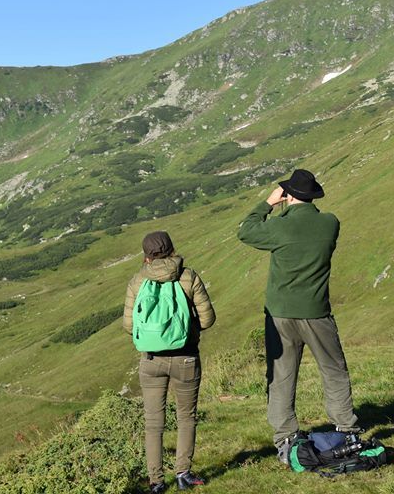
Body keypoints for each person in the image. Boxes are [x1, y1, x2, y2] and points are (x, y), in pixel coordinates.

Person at [237, 169, 360, 466]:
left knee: (281, 377)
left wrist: (268, 203)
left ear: (289, 195)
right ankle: (347, 430)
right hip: (316, 312)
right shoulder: (330, 223)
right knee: (334, 371)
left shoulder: (280, 228)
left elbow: (246, 230)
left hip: (280, 314)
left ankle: (286, 438)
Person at [123, 231, 216, 494]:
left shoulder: (137, 281)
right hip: (186, 357)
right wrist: (186, 331)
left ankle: (156, 481)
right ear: (173, 249)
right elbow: (208, 319)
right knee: (186, 417)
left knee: (153, 422)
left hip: (151, 361)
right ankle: (183, 474)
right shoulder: (188, 276)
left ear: (146, 256)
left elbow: (128, 326)